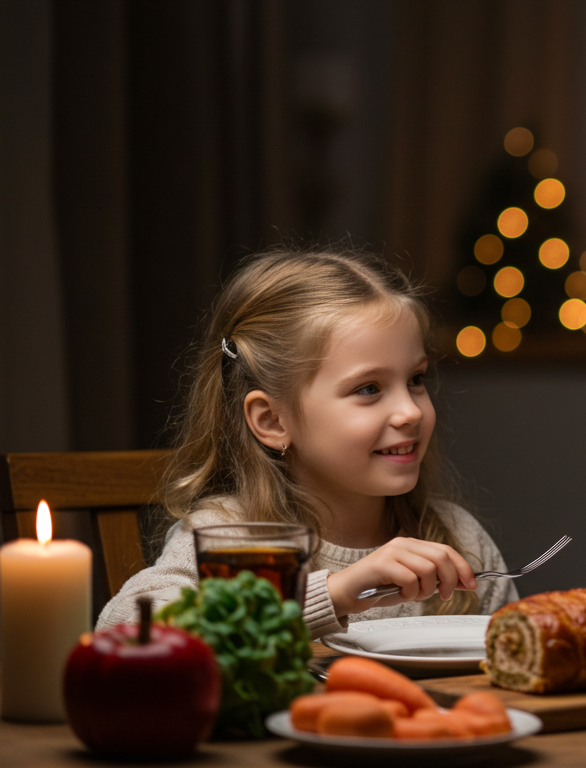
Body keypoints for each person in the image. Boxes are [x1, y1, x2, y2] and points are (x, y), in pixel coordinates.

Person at [98, 249, 517, 637]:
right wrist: (332, 594)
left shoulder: (458, 537)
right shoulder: (228, 540)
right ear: (272, 421)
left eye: (416, 380)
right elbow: (127, 629)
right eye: (369, 388)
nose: (410, 411)